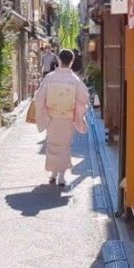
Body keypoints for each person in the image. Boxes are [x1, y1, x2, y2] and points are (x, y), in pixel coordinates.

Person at [33, 48, 89, 186]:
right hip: (67, 117)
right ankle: (62, 176)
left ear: (58, 60)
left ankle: (53, 174)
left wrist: (45, 108)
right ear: (71, 61)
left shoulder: (50, 77)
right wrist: (76, 108)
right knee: (65, 146)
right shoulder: (75, 80)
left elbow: (40, 96)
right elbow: (84, 97)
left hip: (52, 117)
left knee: (52, 145)